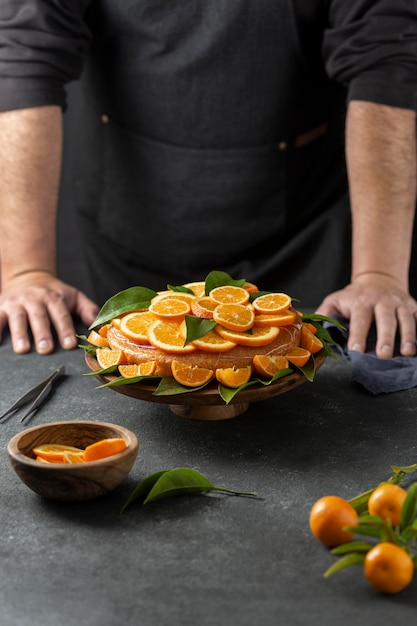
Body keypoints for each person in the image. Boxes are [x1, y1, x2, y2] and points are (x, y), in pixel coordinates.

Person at [0, 0, 416, 359]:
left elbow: (386, 61)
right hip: (131, 214)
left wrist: (378, 276)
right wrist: (27, 271)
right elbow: (24, 58)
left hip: (306, 229)